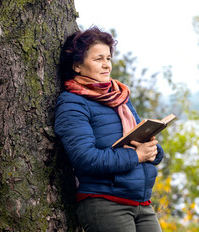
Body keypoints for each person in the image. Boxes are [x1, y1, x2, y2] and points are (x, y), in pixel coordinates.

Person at [54, 27, 163, 232]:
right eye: (98, 59)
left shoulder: (119, 97)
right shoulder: (72, 103)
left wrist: (153, 151)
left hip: (141, 202)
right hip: (105, 203)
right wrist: (137, 156)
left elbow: (143, 146)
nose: (106, 65)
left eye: (108, 58)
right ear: (77, 65)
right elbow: (86, 159)